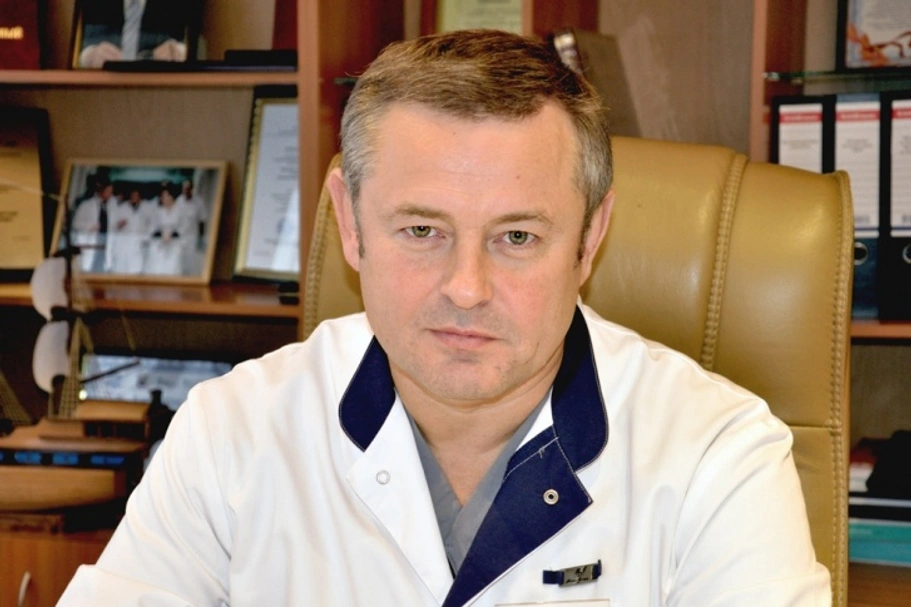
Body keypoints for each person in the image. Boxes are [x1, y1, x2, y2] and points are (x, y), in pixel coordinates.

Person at [58, 30, 830, 605]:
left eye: (517, 237)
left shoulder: (716, 458)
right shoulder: (232, 430)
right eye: (422, 229)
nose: (466, 288)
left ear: (589, 238)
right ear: (349, 224)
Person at [78, 0, 191, 68]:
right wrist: (88, 56)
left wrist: (180, 52)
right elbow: (74, 40)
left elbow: (197, 45)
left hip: (161, 88)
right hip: (101, 86)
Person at [70, 174, 115, 273]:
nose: (110, 194)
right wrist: (90, 226)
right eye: (109, 191)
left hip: (104, 246)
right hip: (90, 244)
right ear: (102, 191)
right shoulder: (86, 205)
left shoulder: (110, 207)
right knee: (88, 269)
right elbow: (76, 224)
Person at [108, 186, 154, 274]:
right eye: (132, 196)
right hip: (125, 241)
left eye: (136, 196)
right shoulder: (122, 208)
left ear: (140, 197)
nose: (134, 198)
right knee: (123, 266)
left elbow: (152, 224)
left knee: (138, 266)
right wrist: (119, 225)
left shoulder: (147, 208)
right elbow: (113, 226)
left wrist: (146, 237)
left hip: (141, 241)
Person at [143, 183, 183, 275]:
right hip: (160, 245)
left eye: (166, 196)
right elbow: (152, 228)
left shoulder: (180, 211)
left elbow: (184, 228)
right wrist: (161, 233)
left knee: (173, 269)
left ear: (171, 197)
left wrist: (172, 233)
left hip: (175, 245)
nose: (164, 199)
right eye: (162, 196)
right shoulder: (158, 211)